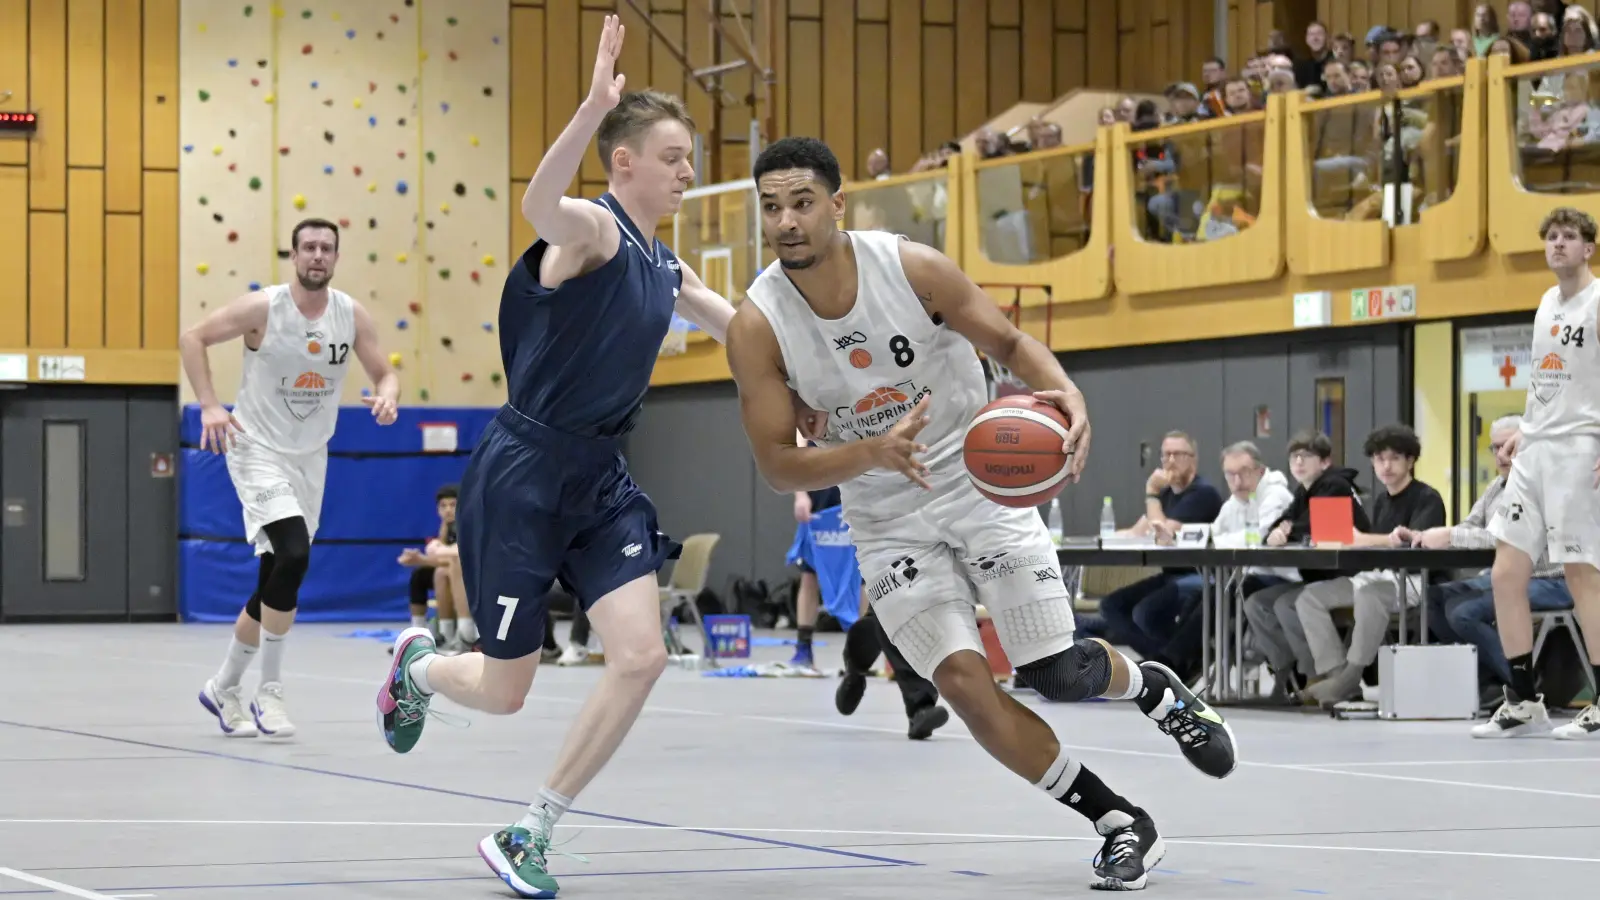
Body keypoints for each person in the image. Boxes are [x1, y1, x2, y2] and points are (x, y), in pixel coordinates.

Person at [371, 17, 825, 898]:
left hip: (599, 480)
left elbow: (739, 329)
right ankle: (417, 666)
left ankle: (530, 830)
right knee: (506, 692)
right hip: (523, 470)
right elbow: (539, 205)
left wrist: (813, 392)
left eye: (689, 156)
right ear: (625, 163)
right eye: (672, 155)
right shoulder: (591, 229)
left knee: (643, 657)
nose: (688, 171)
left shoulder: (663, 265)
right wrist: (590, 107)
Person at [725, 135, 1238, 892]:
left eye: (802, 203)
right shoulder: (756, 324)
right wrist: (870, 454)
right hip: (885, 515)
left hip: (979, 485)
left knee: (1057, 673)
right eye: (771, 208)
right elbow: (775, 465)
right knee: (965, 686)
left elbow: (1007, 340)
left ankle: (1155, 688)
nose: (787, 221)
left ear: (838, 205)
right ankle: (1119, 822)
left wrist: (1065, 390)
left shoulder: (911, 268)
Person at [181, 217, 401, 738]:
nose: (318, 255)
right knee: (296, 555)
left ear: (336, 257)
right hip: (256, 448)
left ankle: (224, 684)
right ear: (294, 255)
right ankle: (270, 693)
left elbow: (384, 371)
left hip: (310, 457)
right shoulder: (264, 308)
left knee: (276, 575)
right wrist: (210, 405)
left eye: (327, 248)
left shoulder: (350, 315)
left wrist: (389, 393)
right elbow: (194, 338)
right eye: (309, 247)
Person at [1477, 206, 1600, 740]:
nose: (1557, 245)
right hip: (1538, 449)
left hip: (1580, 449)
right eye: (1551, 237)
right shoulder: (1547, 302)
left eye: (1569, 237)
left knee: (1580, 574)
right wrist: (1524, 433)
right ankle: (1524, 698)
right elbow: (1545, 383)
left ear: (1589, 248)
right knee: (1506, 573)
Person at [1417, 414, 1572, 710]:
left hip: (1552, 579)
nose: (1501, 455)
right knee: (1433, 598)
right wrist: (1424, 535)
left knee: (1462, 613)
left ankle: (1526, 686)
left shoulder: (1539, 487)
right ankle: (1492, 678)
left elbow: (1507, 537)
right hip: (1505, 575)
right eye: (1494, 448)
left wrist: (1449, 535)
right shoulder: (1497, 487)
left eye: (1508, 446)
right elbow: (1470, 526)